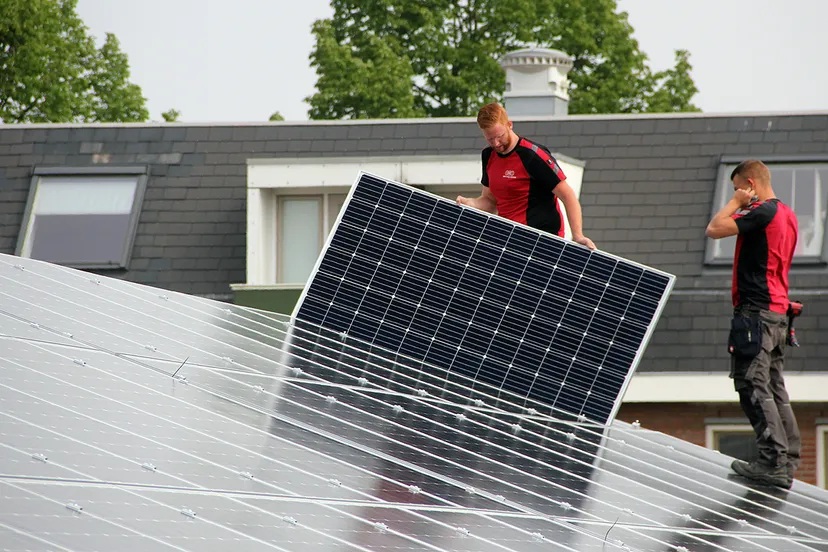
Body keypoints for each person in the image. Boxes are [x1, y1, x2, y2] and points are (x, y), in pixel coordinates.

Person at [705, 159, 800, 489]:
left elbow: (715, 229)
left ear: (750, 184)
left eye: (738, 188)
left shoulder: (762, 211)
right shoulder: (788, 214)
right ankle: (787, 460)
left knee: (751, 383)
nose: (737, 194)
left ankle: (772, 462)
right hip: (778, 312)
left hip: (756, 313)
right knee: (773, 387)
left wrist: (735, 202)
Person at [457, 102, 596, 250]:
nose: (496, 143)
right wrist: (470, 203)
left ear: (509, 125)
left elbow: (568, 196)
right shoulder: (488, 155)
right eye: (490, 139)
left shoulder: (532, 155)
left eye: (500, 136)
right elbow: (490, 201)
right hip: (510, 239)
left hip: (542, 240)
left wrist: (577, 235)